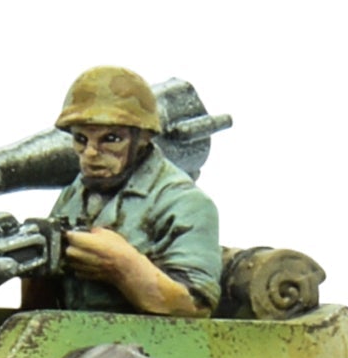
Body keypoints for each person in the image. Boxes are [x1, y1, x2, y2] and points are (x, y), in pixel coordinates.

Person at [32, 67, 222, 317]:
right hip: (72, 331)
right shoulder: (75, 194)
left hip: (147, 338)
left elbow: (195, 308)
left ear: (143, 137)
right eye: (81, 139)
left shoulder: (185, 202)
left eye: (110, 139)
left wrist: (123, 267)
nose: (91, 153)